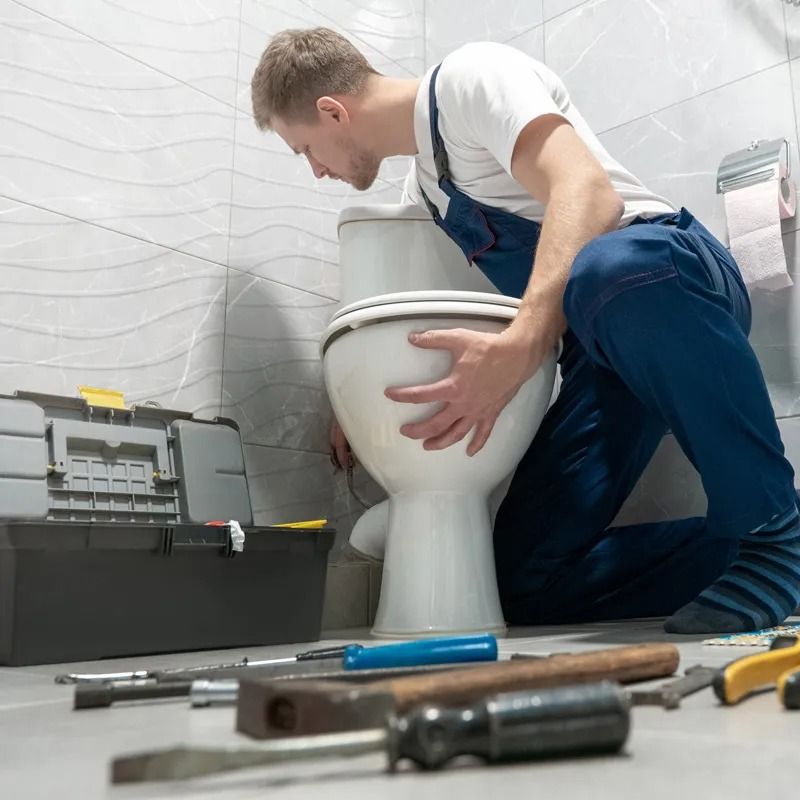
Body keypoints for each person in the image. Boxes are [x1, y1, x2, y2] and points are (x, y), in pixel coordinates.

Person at [250, 27, 800, 634]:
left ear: (332, 112)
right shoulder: (428, 189)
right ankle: (750, 562)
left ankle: (771, 531)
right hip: (597, 345)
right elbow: (421, 302)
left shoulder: (471, 78)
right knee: (522, 581)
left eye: (304, 149)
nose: (316, 171)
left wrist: (521, 344)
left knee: (607, 268)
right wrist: (359, 400)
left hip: (666, 275)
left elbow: (590, 198)